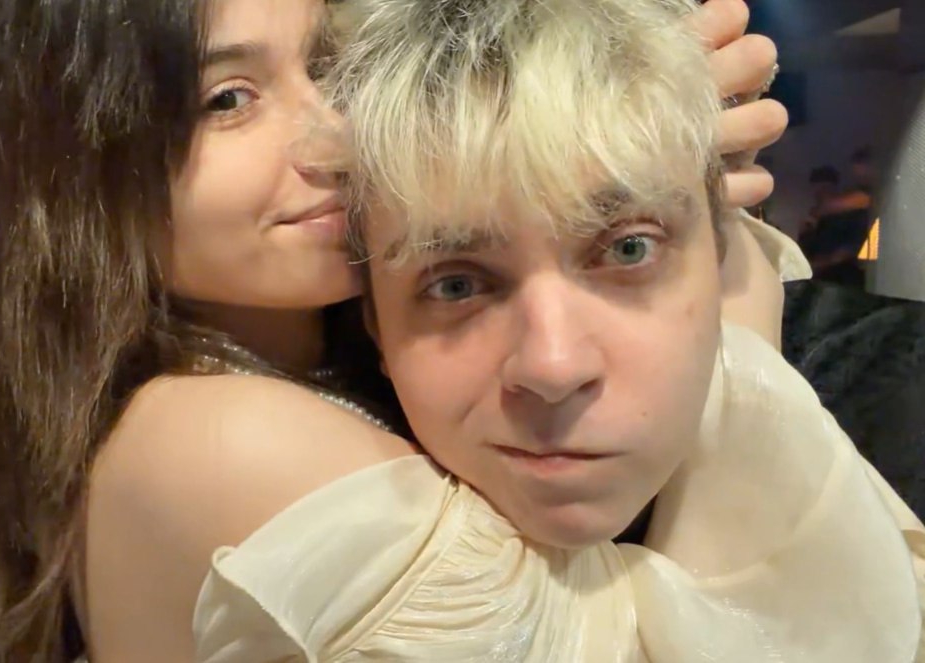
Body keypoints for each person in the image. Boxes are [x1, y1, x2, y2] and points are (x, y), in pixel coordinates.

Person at [0, 0, 791, 660]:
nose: (333, 139)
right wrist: (733, 287)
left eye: (330, 69)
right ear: (71, 166)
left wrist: (625, 136)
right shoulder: (220, 438)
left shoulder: (338, 367)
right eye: (229, 100)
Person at [192, 0, 924, 660]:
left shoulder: (897, 396)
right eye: (457, 284)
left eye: (628, 249)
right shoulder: (237, 452)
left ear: (721, 248)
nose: (553, 364)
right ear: (375, 324)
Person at [807, 149, 876, 288]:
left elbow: (847, 252)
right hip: (823, 277)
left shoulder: (870, 198)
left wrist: (821, 264)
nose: (858, 173)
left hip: (847, 276)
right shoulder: (819, 221)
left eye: (824, 188)